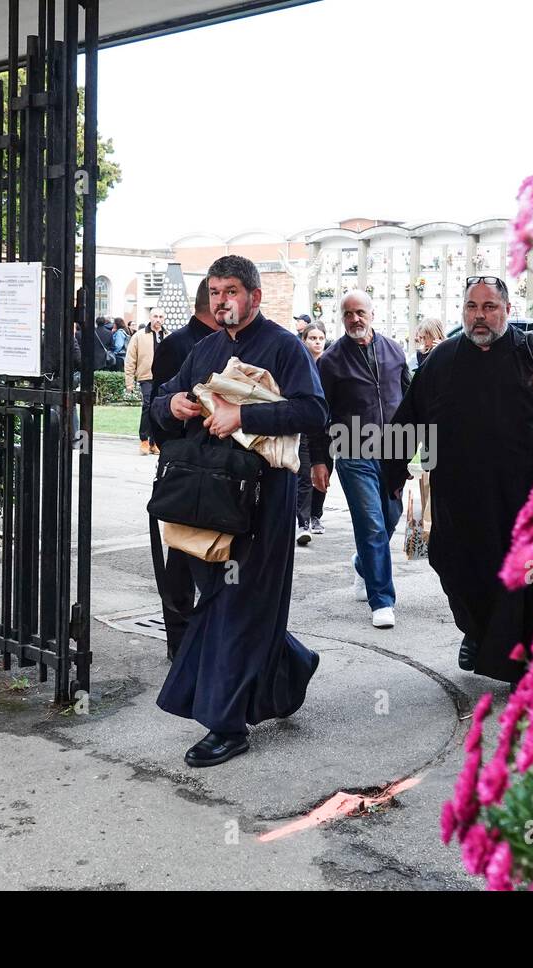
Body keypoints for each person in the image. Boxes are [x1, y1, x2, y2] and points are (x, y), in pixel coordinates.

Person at [150, 255, 327, 768]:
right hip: (210, 498)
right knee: (228, 598)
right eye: (214, 291)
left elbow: (314, 411)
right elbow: (160, 401)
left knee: (234, 604)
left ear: (254, 296)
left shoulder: (286, 346)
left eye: (231, 291)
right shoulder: (203, 348)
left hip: (266, 498)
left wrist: (242, 414)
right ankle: (291, 664)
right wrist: (173, 406)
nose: (221, 300)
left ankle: (225, 725)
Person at [385, 276, 533, 684]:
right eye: (472, 307)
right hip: (462, 498)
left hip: (528, 498)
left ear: (507, 310)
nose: (480, 316)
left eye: (489, 307)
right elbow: (408, 418)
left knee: (528, 582)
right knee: (460, 567)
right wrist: (392, 469)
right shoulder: (441, 360)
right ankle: (477, 632)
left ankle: (522, 660)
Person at [310, 289, 410, 629]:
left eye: (360, 312)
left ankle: (362, 564)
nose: (355, 319)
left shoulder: (395, 350)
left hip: (394, 450)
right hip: (353, 451)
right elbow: (318, 414)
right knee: (371, 524)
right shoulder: (332, 360)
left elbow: (411, 401)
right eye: (348, 313)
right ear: (342, 317)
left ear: (372, 313)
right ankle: (382, 600)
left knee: (390, 517)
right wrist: (319, 460)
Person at [146, 281, 220, 660]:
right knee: (180, 553)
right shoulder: (179, 344)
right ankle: (180, 640)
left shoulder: (228, 341)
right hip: (185, 464)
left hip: (220, 469)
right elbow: (158, 406)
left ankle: (208, 636)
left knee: (216, 553)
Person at [296, 321, 329, 542]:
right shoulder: (299, 363)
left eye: (320, 338)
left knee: (325, 472)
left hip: (326, 429)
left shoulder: (329, 365)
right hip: (303, 427)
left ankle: (316, 514)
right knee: (304, 474)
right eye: (312, 338)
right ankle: (303, 521)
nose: (317, 342)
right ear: (304, 340)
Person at [125, 308, 168, 455]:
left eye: (161, 317)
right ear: (150, 317)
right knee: (148, 406)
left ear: (164, 319)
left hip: (164, 378)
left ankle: (155, 442)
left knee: (160, 409)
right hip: (146, 377)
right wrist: (129, 382)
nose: (158, 319)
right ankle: (144, 439)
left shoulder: (168, 336)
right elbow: (130, 359)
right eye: (155, 316)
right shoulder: (139, 336)